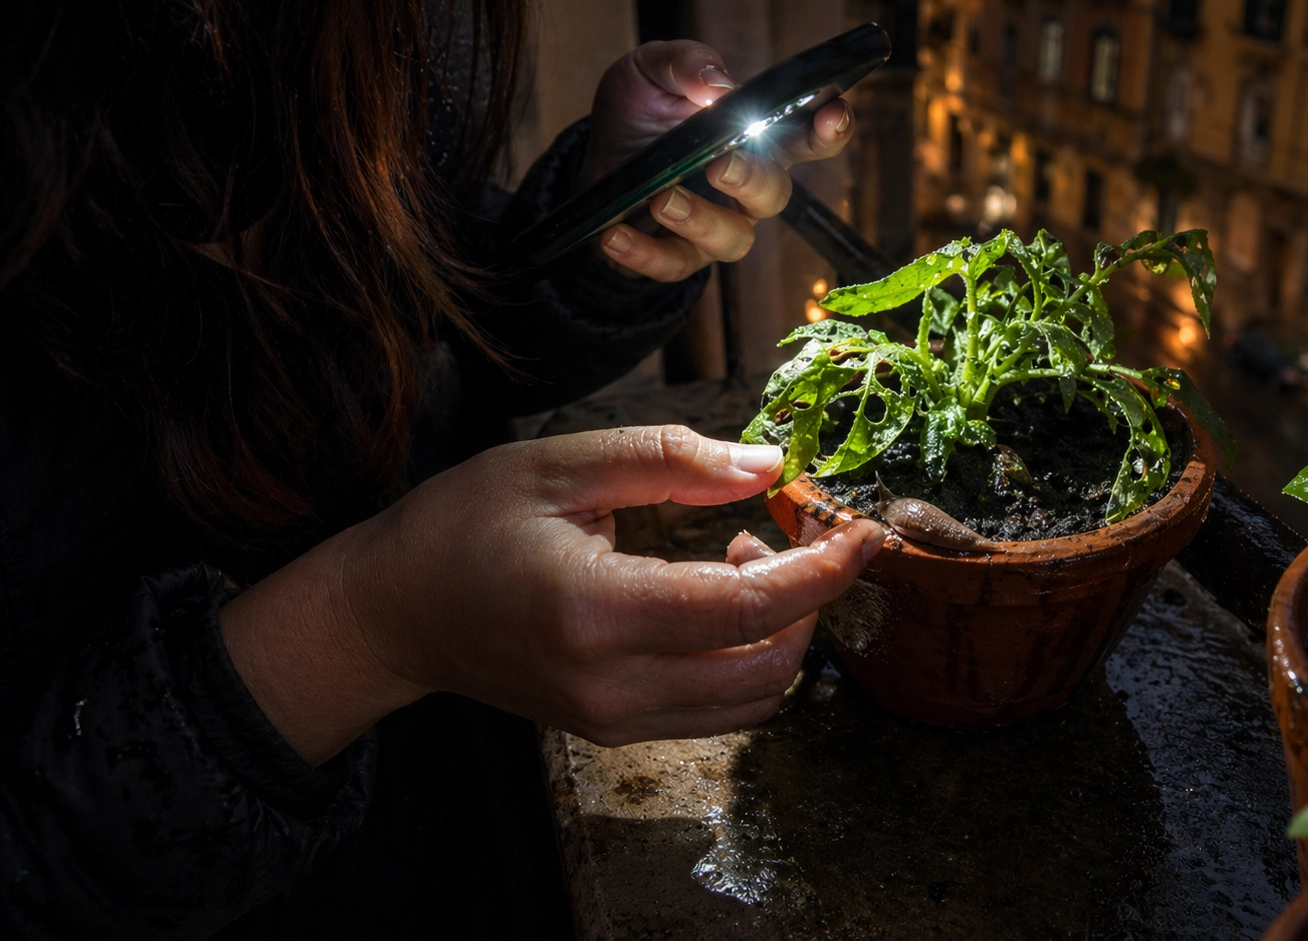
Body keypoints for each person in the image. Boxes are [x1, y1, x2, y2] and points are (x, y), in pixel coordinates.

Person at [0, 2, 883, 937]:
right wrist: (365, 628)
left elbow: (433, 324)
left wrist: (609, 220)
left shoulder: (339, 37)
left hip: (461, 799)